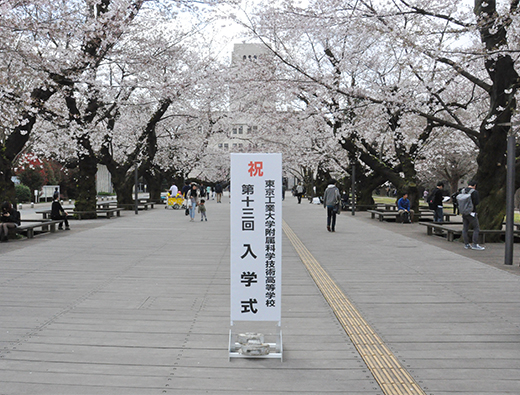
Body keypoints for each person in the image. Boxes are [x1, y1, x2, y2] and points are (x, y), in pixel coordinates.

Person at [460, 180, 485, 251]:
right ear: (475, 185)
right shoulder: (474, 192)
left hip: (464, 212)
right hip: (472, 212)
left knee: (465, 228)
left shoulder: (462, 191)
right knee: (476, 228)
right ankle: (474, 244)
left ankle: (466, 244)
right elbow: (476, 202)